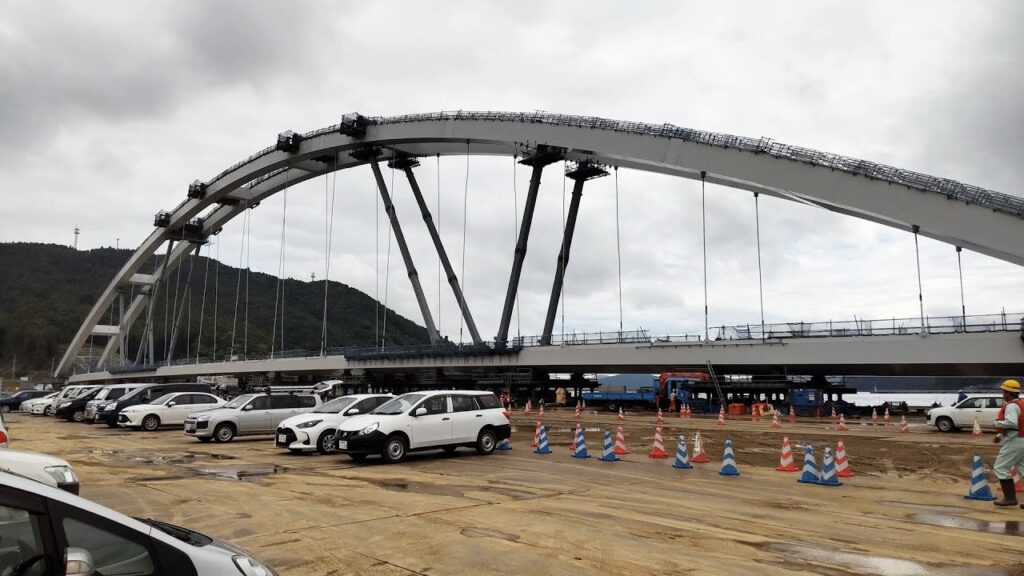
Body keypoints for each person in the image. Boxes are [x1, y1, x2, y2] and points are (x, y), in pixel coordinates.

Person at [992, 379, 1024, 507]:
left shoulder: (1011, 405)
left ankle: (1010, 498)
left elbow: (1011, 423)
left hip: (1015, 441)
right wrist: (1000, 434)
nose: (1002, 393)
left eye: (1003, 391)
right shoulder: (1022, 404)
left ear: (1007, 392)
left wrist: (996, 424)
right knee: (1022, 468)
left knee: (1000, 467)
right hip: (1022, 439)